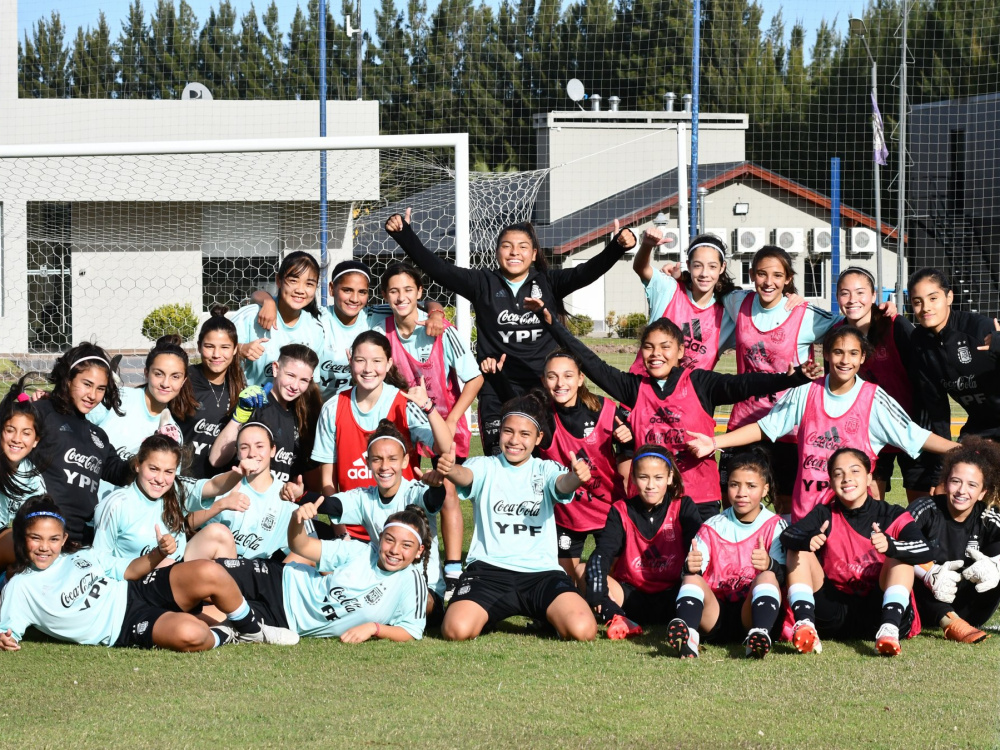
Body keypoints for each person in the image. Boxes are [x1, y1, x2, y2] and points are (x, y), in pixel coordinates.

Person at [386, 208, 637, 455]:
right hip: (496, 388)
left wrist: (617, 247)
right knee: (500, 461)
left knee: (543, 462)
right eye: (507, 245)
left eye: (522, 246)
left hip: (541, 388)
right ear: (497, 251)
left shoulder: (549, 282)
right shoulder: (482, 282)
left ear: (534, 253)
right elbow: (439, 269)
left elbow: (587, 272)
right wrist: (405, 235)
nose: (514, 252)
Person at [534, 302, 818, 519]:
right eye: (648, 347)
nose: (656, 353)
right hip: (651, 497)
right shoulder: (634, 387)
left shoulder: (700, 383)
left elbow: (744, 384)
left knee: (697, 575)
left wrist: (792, 378)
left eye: (665, 347)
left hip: (698, 498)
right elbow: (592, 363)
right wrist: (552, 324)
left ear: (681, 351)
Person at [688, 326, 959, 521]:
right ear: (826, 355)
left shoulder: (873, 398)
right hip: (807, 516)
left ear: (863, 358)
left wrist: (960, 451)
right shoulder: (806, 392)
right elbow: (764, 427)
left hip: (853, 518)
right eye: (838, 352)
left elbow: (915, 436)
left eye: (853, 353)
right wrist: (714, 442)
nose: (845, 360)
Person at [0, 496, 299, 652]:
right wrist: (5, 638)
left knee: (209, 570)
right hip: (123, 626)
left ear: (64, 539)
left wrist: (158, 554)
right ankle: (228, 635)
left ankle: (253, 630)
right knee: (192, 634)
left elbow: (129, 570)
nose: (44, 547)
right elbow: (7, 631)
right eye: (35, 538)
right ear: (21, 539)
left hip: (136, 589)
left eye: (53, 539)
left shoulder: (81, 555)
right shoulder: (20, 588)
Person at [437, 392, 598, 642]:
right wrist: (451, 469)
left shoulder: (545, 468)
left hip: (541, 574)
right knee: (455, 630)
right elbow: (465, 476)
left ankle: (547, 615)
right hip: (489, 573)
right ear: (500, 432)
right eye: (508, 431)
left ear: (538, 438)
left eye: (525, 434)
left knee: (583, 630)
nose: (515, 440)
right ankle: (487, 613)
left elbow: (562, 484)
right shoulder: (485, 465)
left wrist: (575, 477)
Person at [482, 349, 630, 588]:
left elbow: (635, 442)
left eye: (568, 376)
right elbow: (516, 408)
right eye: (552, 376)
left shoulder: (604, 409)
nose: (561, 383)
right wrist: (497, 377)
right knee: (564, 584)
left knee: (607, 581)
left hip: (608, 510)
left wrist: (627, 438)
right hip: (566, 514)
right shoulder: (544, 417)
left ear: (581, 378)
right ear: (544, 381)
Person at [377, 262, 482, 597]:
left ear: (420, 292)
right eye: (394, 291)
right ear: (385, 295)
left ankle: (453, 572)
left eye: (409, 290)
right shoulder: (382, 326)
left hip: (444, 425)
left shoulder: (441, 330)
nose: (401, 297)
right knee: (414, 495)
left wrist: (451, 419)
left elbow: (475, 378)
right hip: (405, 427)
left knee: (447, 491)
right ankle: (417, 566)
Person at [283, 421, 448, 621]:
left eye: (392, 459)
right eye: (377, 459)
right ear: (367, 462)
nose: (385, 466)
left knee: (403, 605)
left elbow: (433, 501)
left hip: (424, 589)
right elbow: (331, 505)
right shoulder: (364, 497)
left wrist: (436, 487)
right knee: (311, 557)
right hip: (380, 584)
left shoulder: (415, 491)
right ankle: (282, 591)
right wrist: (302, 495)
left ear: (405, 461)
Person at [780, 448, 934, 657]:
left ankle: (889, 630)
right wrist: (808, 539)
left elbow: (926, 550)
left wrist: (892, 546)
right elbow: (788, 535)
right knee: (797, 550)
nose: (846, 479)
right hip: (833, 611)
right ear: (831, 482)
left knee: (901, 557)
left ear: (869, 476)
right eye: (838, 474)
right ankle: (805, 623)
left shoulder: (892, 514)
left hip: (879, 610)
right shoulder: (824, 513)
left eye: (854, 471)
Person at [721, 246, 842, 512]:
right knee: (734, 500)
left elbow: (850, 325)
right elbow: (710, 287)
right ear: (752, 274)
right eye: (762, 274)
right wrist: (678, 276)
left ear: (788, 279)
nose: (768, 281)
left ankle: (780, 553)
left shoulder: (804, 314)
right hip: (744, 421)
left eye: (777, 275)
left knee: (786, 503)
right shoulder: (737, 302)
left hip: (789, 427)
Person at [216, 504, 433, 642]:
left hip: (283, 621)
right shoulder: (361, 550)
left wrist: (374, 628)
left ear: (419, 551)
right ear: (381, 538)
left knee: (209, 613)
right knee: (210, 573)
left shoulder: (411, 582)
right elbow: (301, 546)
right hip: (280, 580)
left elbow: (411, 631)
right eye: (389, 540)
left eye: (406, 545)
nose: (395, 551)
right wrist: (297, 520)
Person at [310, 331, 452, 541]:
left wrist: (428, 406)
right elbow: (327, 480)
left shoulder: (403, 403)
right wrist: (341, 533)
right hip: (352, 530)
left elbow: (444, 446)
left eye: (377, 361)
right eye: (360, 360)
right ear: (350, 360)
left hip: (402, 528)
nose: (368, 369)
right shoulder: (333, 407)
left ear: (388, 363)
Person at [251, 259, 446, 400]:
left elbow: (420, 303)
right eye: (347, 290)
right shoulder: (316, 316)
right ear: (331, 289)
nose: (354, 298)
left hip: (357, 405)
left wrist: (436, 313)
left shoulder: (373, 315)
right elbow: (261, 295)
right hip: (315, 405)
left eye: (362, 292)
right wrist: (268, 300)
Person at [664, 450, 786, 659]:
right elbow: (692, 572)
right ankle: (689, 637)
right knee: (692, 578)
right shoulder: (713, 525)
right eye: (734, 484)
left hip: (752, 614)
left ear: (765, 488)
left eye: (751, 486)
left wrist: (770, 564)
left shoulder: (775, 526)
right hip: (716, 616)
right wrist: (689, 567)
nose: (741, 493)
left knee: (767, 575)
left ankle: (758, 637)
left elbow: (784, 577)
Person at [585, 445, 703, 639]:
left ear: (669, 477)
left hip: (672, 596)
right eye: (643, 477)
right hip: (630, 597)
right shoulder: (620, 510)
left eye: (658, 478)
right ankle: (618, 618)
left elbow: (701, 553)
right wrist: (598, 591)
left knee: (696, 581)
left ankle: (686, 623)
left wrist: (693, 564)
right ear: (632, 478)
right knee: (586, 570)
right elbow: (603, 553)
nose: (650, 485)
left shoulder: (683, 506)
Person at [92, 434, 249, 576]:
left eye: (168, 472)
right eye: (153, 469)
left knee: (220, 533)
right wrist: (154, 557)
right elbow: (99, 560)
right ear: (137, 465)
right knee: (167, 565)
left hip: (179, 569)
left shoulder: (176, 488)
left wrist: (238, 473)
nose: (160, 479)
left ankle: (228, 597)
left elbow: (214, 486)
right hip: (138, 583)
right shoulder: (117, 504)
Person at [834, 267, 924, 500]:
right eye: (845, 293)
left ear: (874, 295)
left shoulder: (895, 325)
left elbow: (924, 376)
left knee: (922, 507)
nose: (853, 299)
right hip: (867, 433)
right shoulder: (835, 332)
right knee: (869, 506)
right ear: (837, 298)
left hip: (909, 428)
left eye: (860, 292)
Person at [31, 343, 131, 544]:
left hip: (83, 541)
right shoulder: (40, 413)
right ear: (68, 379)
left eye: (100, 388)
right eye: (87, 384)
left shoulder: (98, 436)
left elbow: (120, 473)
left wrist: (147, 456)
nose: (93, 395)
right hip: (40, 535)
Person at [906, 437, 1000, 643]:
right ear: (946, 482)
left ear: (983, 492)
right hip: (925, 601)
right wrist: (929, 572)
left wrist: (995, 565)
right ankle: (950, 622)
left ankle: (961, 621)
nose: (961, 491)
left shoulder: (989, 517)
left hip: (971, 607)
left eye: (972, 485)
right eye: (956, 481)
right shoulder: (925, 508)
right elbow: (894, 540)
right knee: (901, 557)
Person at [189, 422, 311, 562]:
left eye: (260, 446)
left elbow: (308, 549)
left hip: (256, 574)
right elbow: (187, 524)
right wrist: (222, 504)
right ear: (237, 452)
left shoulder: (286, 494)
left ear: (273, 450)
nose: (252, 454)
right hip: (217, 567)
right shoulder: (225, 483)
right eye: (244, 447)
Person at [908, 268, 1000, 451]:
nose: (925, 307)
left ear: (949, 297)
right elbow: (936, 405)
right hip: (980, 429)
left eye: (933, 298)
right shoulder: (919, 343)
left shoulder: (980, 329)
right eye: (917, 301)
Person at [88, 335, 188, 500]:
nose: (166, 383)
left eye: (175, 376)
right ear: (146, 372)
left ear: (183, 381)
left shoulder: (173, 433)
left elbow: (166, 487)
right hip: (85, 503)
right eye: (159, 374)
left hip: (125, 517)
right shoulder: (117, 398)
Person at [209, 344, 322, 485]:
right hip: (248, 501)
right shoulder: (255, 404)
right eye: (290, 375)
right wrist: (239, 418)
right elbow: (216, 459)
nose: (295, 386)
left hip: (280, 504)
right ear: (275, 369)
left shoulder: (304, 415)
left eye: (303, 380)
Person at [630, 230, 737, 372]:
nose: (704, 273)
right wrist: (647, 245)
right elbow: (641, 268)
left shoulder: (727, 314)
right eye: (698, 265)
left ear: (722, 267)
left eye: (712, 266)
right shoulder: (669, 289)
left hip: (689, 393)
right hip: (642, 387)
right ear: (689, 265)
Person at [230, 251, 326, 388]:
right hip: (247, 404)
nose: (300, 289)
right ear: (278, 280)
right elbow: (217, 353)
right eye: (293, 280)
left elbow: (312, 381)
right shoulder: (250, 316)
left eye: (309, 284)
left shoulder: (315, 328)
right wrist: (241, 349)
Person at [175, 306, 246, 480]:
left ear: (235, 349)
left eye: (225, 347)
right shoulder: (184, 379)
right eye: (209, 346)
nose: (216, 354)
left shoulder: (239, 387)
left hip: (217, 484)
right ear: (199, 346)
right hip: (179, 480)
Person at [0, 378, 47, 570]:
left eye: (26, 433)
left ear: (36, 440)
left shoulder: (33, 477)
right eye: (10, 430)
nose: (17, 439)